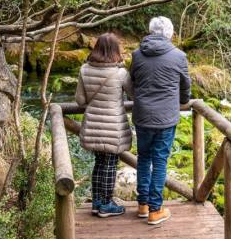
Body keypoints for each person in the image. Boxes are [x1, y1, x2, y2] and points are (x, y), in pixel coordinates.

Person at [130, 16, 191, 225]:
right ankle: (156, 210)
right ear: (170, 33)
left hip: (142, 115)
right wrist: (183, 101)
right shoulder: (179, 56)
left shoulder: (137, 54)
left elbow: (134, 80)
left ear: (150, 31)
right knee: (160, 161)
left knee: (144, 158)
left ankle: (143, 205)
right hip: (165, 117)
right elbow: (185, 86)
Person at [75, 33, 133, 217]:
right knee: (110, 164)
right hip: (113, 125)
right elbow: (133, 94)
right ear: (116, 49)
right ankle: (106, 205)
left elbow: (79, 100)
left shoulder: (85, 69)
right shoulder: (121, 73)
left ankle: (97, 201)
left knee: (99, 163)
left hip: (92, 123)